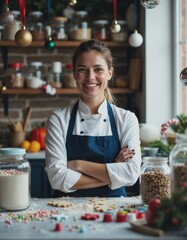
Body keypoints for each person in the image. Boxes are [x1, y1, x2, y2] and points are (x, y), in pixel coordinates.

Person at [45, 39, 141, 197]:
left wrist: (78, 165)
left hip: (115, 210)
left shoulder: (126, 119)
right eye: (83, 69)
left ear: (110, 73)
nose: (90, 77)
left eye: (98, 70)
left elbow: (131, 174)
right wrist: (113, 171)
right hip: (65, 210)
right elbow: (57, 178)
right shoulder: (58, 119)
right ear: (75, 74)